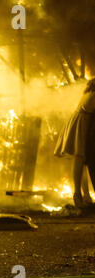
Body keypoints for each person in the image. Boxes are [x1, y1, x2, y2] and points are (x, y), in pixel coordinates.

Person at [54, 79, 95, 208]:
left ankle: (85, 196)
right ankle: (78, 195)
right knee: (80, 158)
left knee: (82, 160)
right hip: (81, 124)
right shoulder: (92, 95)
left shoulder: (89, 93)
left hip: (80, 122)